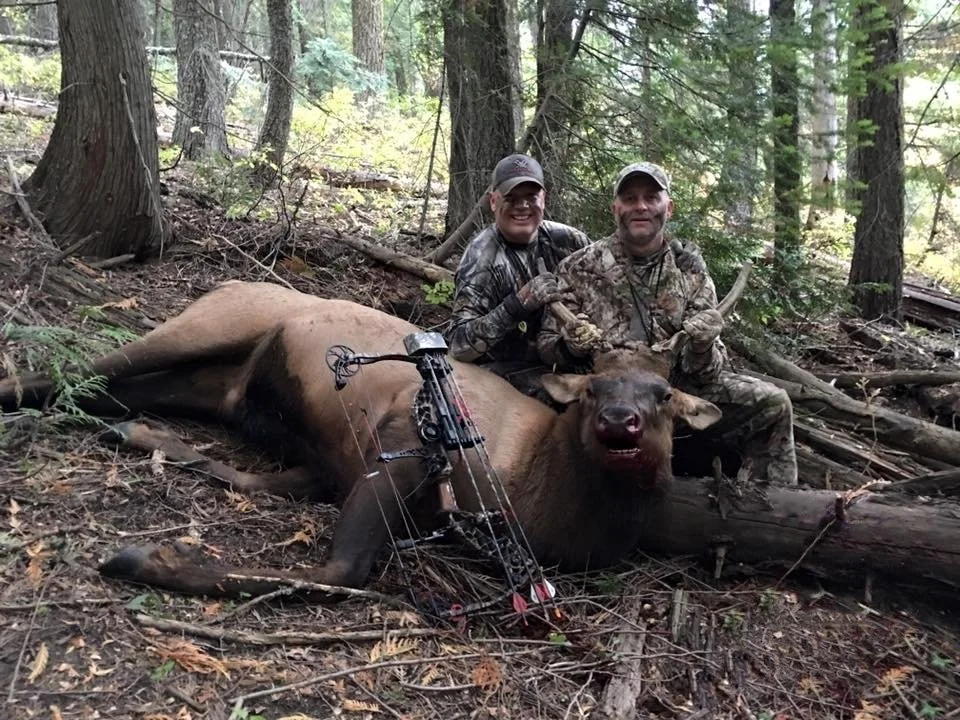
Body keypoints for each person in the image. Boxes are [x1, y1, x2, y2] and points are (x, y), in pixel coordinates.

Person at [538, 162, 798, 486]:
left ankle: (769, 507)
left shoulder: (689, 269)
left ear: (669, 207)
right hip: (605, 401)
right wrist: (569, 347)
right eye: (630, 198)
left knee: (773, 404)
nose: (641, 206)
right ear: (615, 208)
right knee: (536, 408)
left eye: (651, 197)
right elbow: (547, 346)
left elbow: (712, 370)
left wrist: (702, 346)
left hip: (671, 396)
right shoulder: (578, 267)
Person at [445, 153, 591, 395]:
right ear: (493, 201)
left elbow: (611, 275)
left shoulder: (570, 241)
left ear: (544, 199)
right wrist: (516, 305)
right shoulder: (481, 257)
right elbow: (458, 346)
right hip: (506, 377)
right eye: (511, 198)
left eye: (531, 197)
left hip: (569, 364)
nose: (522, 206)